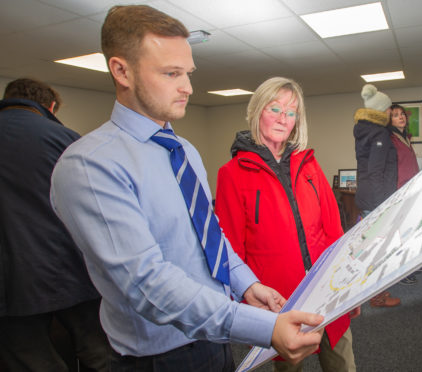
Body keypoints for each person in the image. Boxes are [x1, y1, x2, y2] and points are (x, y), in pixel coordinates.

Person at [49, 5, 323, 371]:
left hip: (212, 336)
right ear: (121, 71)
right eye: (171, 73)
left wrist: (244, 284)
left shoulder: (184, 151)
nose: (188, 88)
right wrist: (261, 327)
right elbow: (147, 282)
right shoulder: (90, 165)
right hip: (158, 358)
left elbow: (208, 236)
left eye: (188, 73)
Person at [215, 77, 359, 372]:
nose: (283, 119)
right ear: (257, 111)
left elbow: (333, 229)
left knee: (343, 363)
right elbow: (231, 248)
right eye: (275, 109)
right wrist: (244, 303)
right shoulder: (232, 174)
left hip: (327, 290)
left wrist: (349, 283)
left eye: (291, 112)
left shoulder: (309, 164)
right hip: (279, 300)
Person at [0, 78, 109, 371]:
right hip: (69, 269)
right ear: (49, 106)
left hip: (9, 283)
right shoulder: (65, 140)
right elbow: (97, 206)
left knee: (30, 360)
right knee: (101, 353)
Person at [353, 84, 401, 307]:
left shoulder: (365, 130)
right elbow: (376, 171)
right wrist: (385, 204)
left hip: (368, 195)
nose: (392, 112)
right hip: (376, 199)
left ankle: (370, 291)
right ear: (382, 110)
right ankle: (377, 296)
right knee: (380, 248)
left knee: (371, 245)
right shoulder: (379, 133)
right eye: (390, 109)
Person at [387, 103, 422, 285]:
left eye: (402, 114)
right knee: (402, 233)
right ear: (389, 120)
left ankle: (411, 264)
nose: (401, 117)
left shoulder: (406, 138)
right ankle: (401, 271)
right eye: (395, 115)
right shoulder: (391, 139)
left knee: (412, 229)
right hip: (400, 190)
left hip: (413, 188)